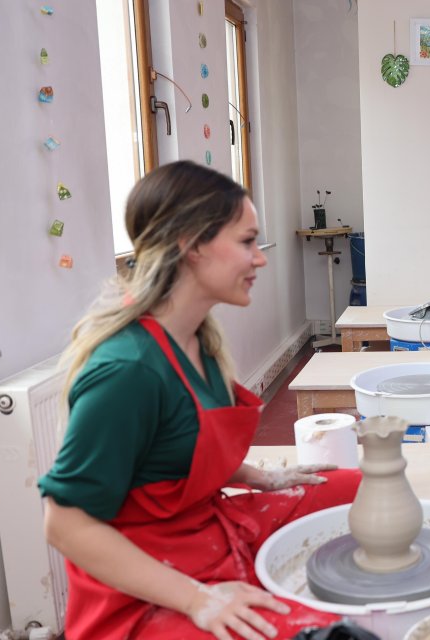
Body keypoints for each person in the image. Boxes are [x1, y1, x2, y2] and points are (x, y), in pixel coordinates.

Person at [38, 161, 361, 640]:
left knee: (356, 486)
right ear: (191, 245)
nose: (261, 258)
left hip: (204, 527)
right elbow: (65, 525)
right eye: (247, 241)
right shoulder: (127, 370)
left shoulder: (199, 340)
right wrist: (198, 600)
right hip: (148, 581)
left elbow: (177, 450)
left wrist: (261, 477)